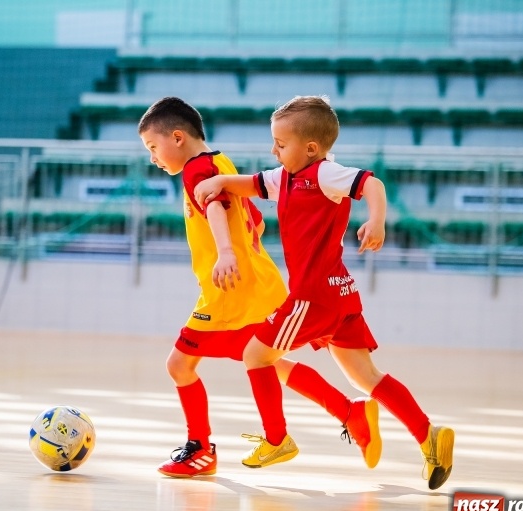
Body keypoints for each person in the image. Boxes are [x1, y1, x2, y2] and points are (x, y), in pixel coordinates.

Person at [193, 95, 455, 490]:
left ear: (311, 148)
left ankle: (277, 439)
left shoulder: (325, 175)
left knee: (255, 355)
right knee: (366, 377)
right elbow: (253, 184)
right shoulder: (287, 176)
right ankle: (428, 436)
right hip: (339, 294)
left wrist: (377, 221)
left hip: (312, 297)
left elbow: (372, 184)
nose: (274, 151)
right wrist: (220, 182)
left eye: (281, 144)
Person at [138, 96, 381, 478]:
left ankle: (201, 448)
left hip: (229, 291)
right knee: (270, 362)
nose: (153, 157)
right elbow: (255, 217)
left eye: (153, 147)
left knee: (179, 364)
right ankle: (349, 411)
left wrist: (225, 252)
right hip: (257, 281)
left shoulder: (196, 170)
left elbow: (216, 207)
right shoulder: (220, 162)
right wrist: (239, 246)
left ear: (178, 137)